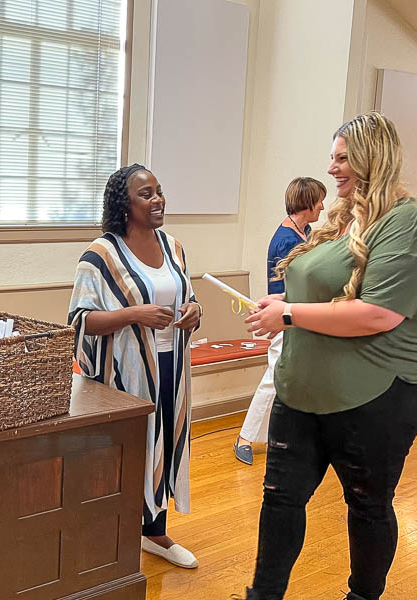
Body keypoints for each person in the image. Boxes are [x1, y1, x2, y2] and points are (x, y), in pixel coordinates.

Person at [239, 111, 417, 600]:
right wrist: (284, 301)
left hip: (372, 399)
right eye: (332, 158)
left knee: (366, 506)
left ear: (370, 157)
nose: (333, 168)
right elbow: (324, 287)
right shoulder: (341, 218)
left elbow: (378, 314)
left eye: (343, 158)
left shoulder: (405, 220)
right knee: (279, 502)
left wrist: (291, 314)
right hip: (302, 391)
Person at [68, 164, 202, 569]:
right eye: (146, 194)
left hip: (172, 368)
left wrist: (196, 310)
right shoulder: (101, 254)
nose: (157, 199)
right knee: (129, 451)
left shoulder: (174, 247)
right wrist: (134, 314)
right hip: (124, 376)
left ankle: (154, 533)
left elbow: (189, 296)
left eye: (159, 191)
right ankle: (110, 534)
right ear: (124, 205)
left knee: (163, 440)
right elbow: (79, 321)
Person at [234, 177, 325, 465]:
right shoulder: (286, 240)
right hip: (283, 315)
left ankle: (302, 435)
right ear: (307, 203)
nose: (323, 206)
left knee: (301, 377)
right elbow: (293, 284)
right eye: (319, 200)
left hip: (298, 313)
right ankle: (245, 438)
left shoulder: (304, 231)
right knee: (274, 378)